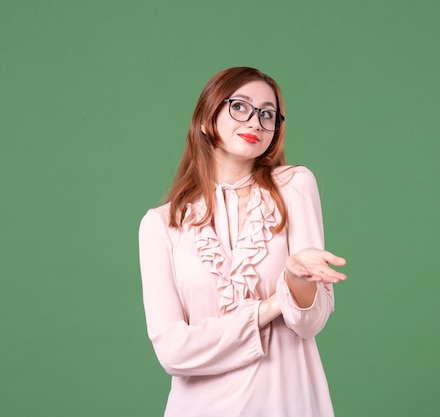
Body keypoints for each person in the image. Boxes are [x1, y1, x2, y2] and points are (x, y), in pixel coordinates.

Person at [138, 66, 347, 417]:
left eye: (268, 114)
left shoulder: (294, 186)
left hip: (287, 402)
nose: (255, 122)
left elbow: (310, 323)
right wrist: (272, 304)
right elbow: (173, 352)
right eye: (240, 106)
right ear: (207, 118)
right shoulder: (160, 224)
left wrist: (296, 281)